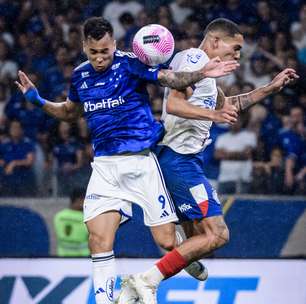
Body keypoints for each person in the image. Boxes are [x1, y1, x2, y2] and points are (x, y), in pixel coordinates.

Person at [15, 17, 239, 304]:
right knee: (97, 241)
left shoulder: (130, 63)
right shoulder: (80, 76)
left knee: (166, 242)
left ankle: (183, 253)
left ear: (114, 45)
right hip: (106, 168)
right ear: (84, 47)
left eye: (105, 51)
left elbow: (170, 79)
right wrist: (38, 101)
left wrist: (199, 73)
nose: (99, 58)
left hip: (142, 163)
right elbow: (71, 112)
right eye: (94, 52)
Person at [118, 18, 298, 304]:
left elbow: (230, 105)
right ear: (215, 41)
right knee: (218, 234)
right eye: (235, 47)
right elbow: (174, 105)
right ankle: (147, 280)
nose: (238, 54)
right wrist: (215, 117)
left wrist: (270, 88)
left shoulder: (205, 73)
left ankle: (162, 268)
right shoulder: (193, 58)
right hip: (179, 161)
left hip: (180, 160)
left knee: (193, 241)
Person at [53, 187, 89, 256]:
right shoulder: (87, 218)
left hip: (62, 259)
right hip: (83, 261)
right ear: (79, 200)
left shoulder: (58, 216)